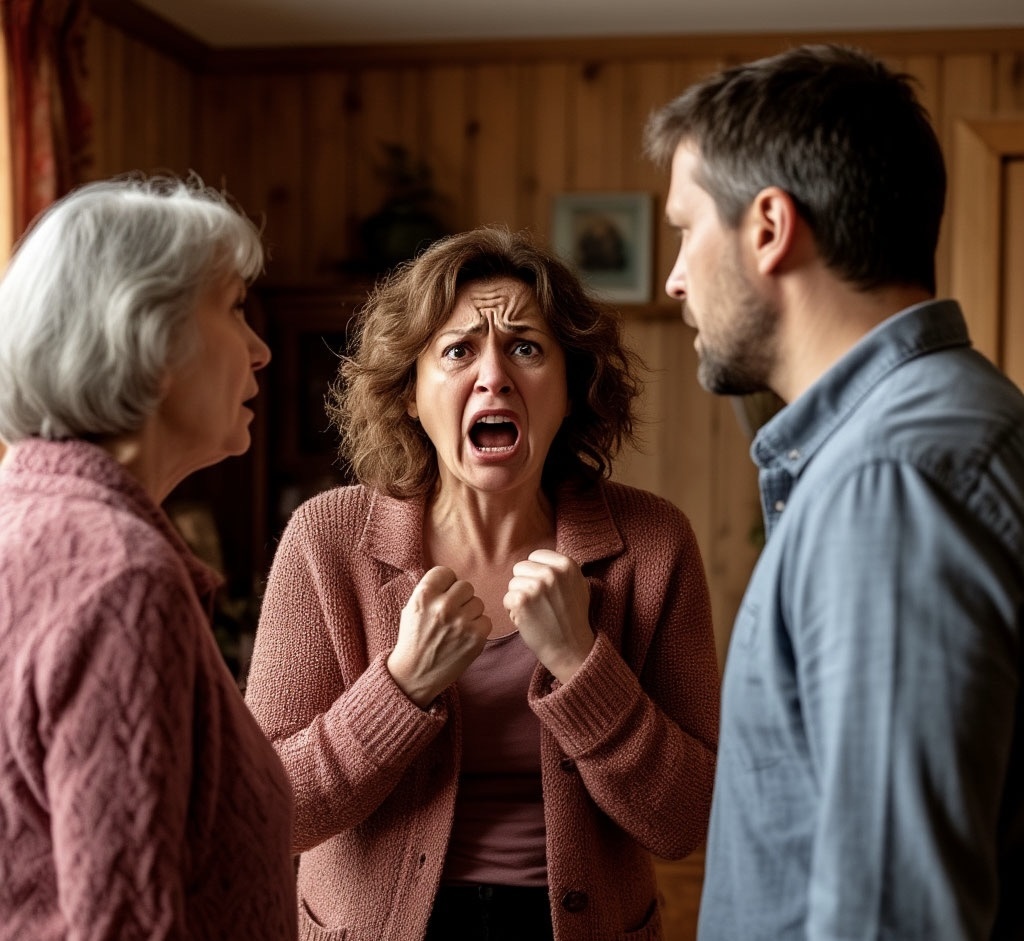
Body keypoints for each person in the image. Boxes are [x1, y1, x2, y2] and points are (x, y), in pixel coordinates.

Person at [644, 43, 1024, 941]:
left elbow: (893, 915)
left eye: (686, 229)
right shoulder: (955, 425)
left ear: (770, 227)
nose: (674, 277)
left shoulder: (888, 483)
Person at [244, 226, 720, 940]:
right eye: (458, 351)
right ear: (410, 393)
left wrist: (582, 666)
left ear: (571, 389)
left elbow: (687, 821)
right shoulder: (325, 539)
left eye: (526, 348)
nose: (493, 376)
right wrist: (401, 686)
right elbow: (266, 810)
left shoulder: (655, 544)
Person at [0, 175, 297, 940]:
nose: (261, 350)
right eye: (235, 309)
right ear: (151, 337)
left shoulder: (25, 522)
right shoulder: (123, 577)